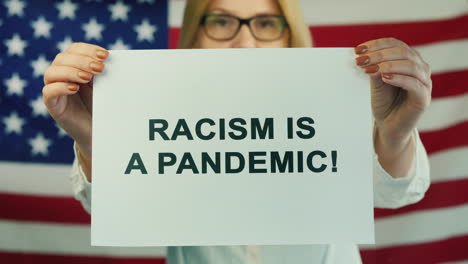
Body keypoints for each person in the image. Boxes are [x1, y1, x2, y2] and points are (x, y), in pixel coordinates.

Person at [42, 0, 432, 263]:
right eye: (222, 21)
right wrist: (97, 141)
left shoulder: (341, 107)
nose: (244, 41)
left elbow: (395, 193)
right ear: (194, 36)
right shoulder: (159, 118)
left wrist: (394, 136)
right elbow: (109, 206)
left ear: (289, 37)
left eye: (264, 23)